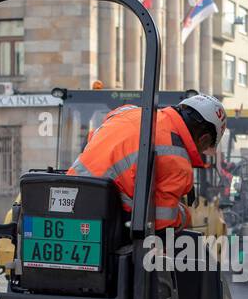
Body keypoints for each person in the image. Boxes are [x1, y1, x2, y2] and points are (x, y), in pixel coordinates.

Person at [68, 94, 225, 230]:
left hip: (71, 196)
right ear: (204, 140)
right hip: (107, 220)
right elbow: (161, 223)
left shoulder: (127, 111)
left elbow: (94, 138)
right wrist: (186, 216)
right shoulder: (178, 162)